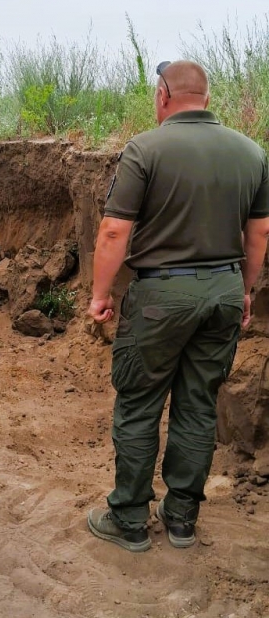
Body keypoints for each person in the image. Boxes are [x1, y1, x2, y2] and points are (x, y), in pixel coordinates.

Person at [86, 60, 269, 553]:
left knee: (140, 404)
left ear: (164, 94)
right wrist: (245, 291)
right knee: (198, 405)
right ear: (206, 98)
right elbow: (261, 232)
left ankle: (127, 519)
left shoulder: (146, 148)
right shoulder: (252, 152)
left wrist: (101, 295)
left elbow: (113, 230)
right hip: (224, 294)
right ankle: (182, 519)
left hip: (160, 298)